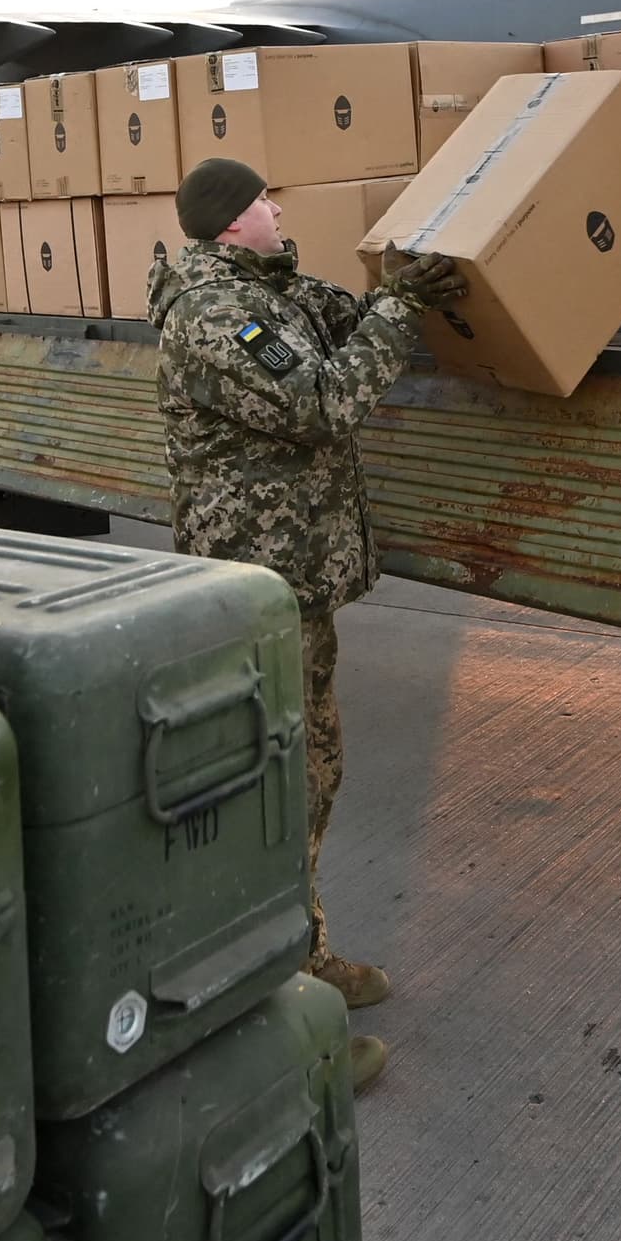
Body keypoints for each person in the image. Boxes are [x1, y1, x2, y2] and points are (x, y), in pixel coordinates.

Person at [145, 153, 464, 1096]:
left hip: (293, 584)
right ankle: (274, 1018)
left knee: (312, 767)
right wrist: (401, 315)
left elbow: (340, 319)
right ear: (229, 222)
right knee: (273, 785)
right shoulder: (217, 315)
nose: (278, 206)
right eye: (262, 200)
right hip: (254, 588)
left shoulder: (263, 288)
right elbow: (322, 400)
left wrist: (398, 290)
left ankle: (303, 954)